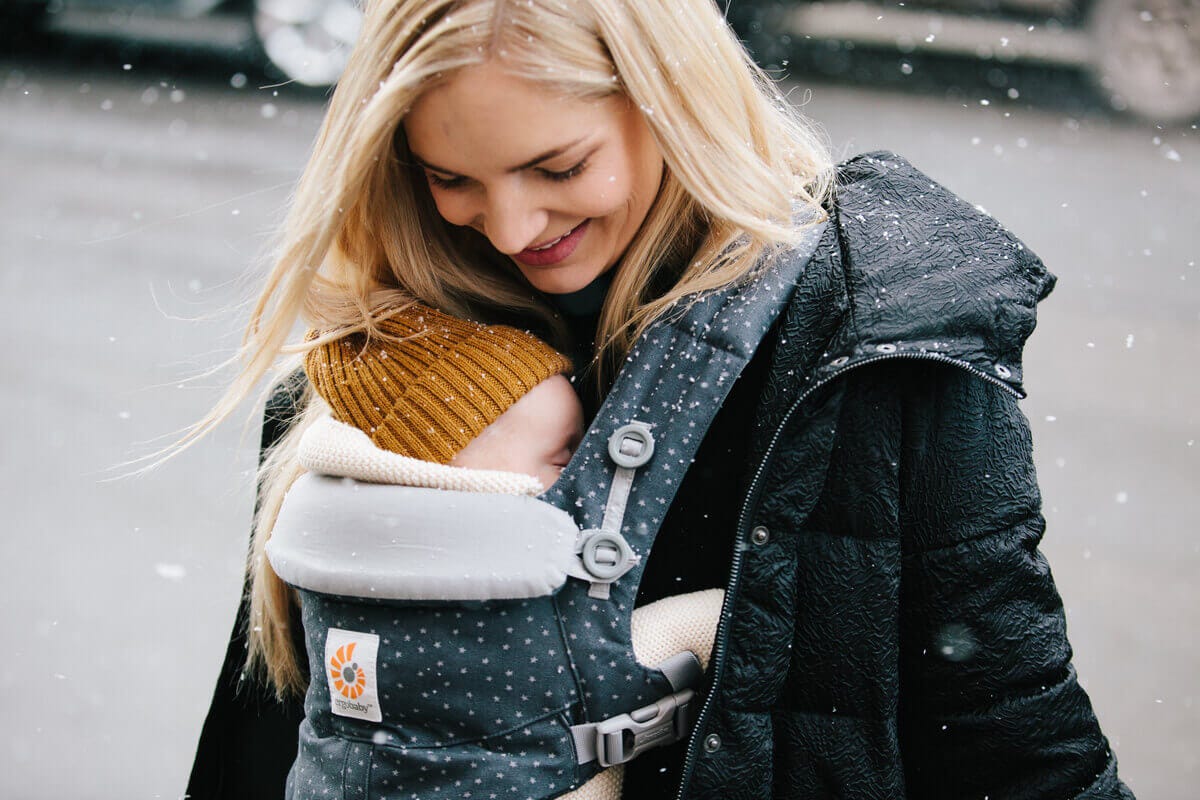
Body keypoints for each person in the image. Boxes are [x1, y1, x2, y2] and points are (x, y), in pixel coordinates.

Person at [186, 0, 1135, 797]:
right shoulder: (369, 371)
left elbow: (1011, 732)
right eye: (451, 180)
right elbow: (272, 738)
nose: (513, 227)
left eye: (557, 168)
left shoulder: (877, 344)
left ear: (676, 101)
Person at [266, 301, 722, 799]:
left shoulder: (329, 569)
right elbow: (689, 629)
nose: (577, 481)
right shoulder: (542, 600)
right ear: (468, 479)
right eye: (562, 457)